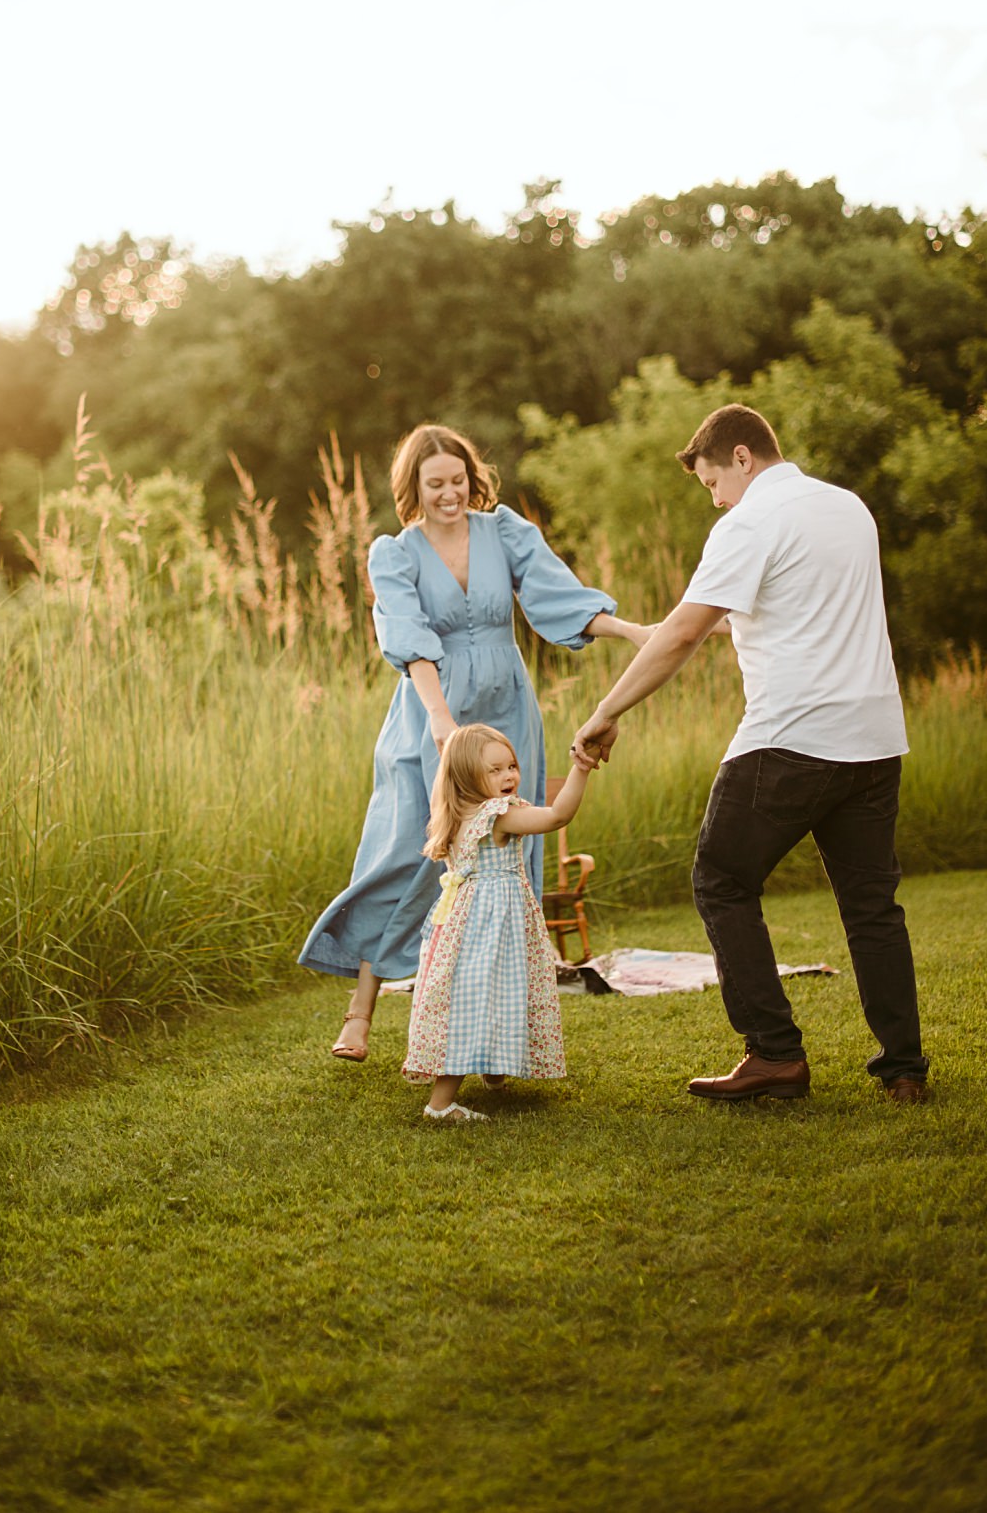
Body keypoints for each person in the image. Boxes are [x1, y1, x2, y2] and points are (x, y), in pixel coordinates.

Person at [572, 403, 929, 1105]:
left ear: (741, 456)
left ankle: (773, 1054)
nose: (714, 498)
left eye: (711, 482)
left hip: (792, 736)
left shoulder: (750, 520)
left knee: (721, 878)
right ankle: (904, 1067)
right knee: (872, 905)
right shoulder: (848, 507)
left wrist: (607, 709)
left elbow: (680, 635)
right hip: (876, 736)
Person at [298, 422, 650, 1060]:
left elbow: (556, 598)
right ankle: (361, 1011)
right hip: (430, 715)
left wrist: (632, 633)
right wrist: (438, 717)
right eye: (435, 484)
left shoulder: (505, 532)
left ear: (471, 478)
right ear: (414, 486)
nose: (449, 494)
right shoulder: (396, 553)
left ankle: (497, 1027)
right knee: (408, 851)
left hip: (506, 712)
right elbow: (408, 636)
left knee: (505, 861)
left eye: (457, 480)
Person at [403, 726, 588, 1123]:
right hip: (490, 924)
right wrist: (581, 769)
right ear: (468, 776)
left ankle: (494, 1067)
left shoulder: (458, 813)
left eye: (512, 766)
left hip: (466, 923)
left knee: (486, 991)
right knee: (479, 997)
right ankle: (440, 1105)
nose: (509, 776)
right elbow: (557, 815)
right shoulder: (497, 815)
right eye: (495, 770)